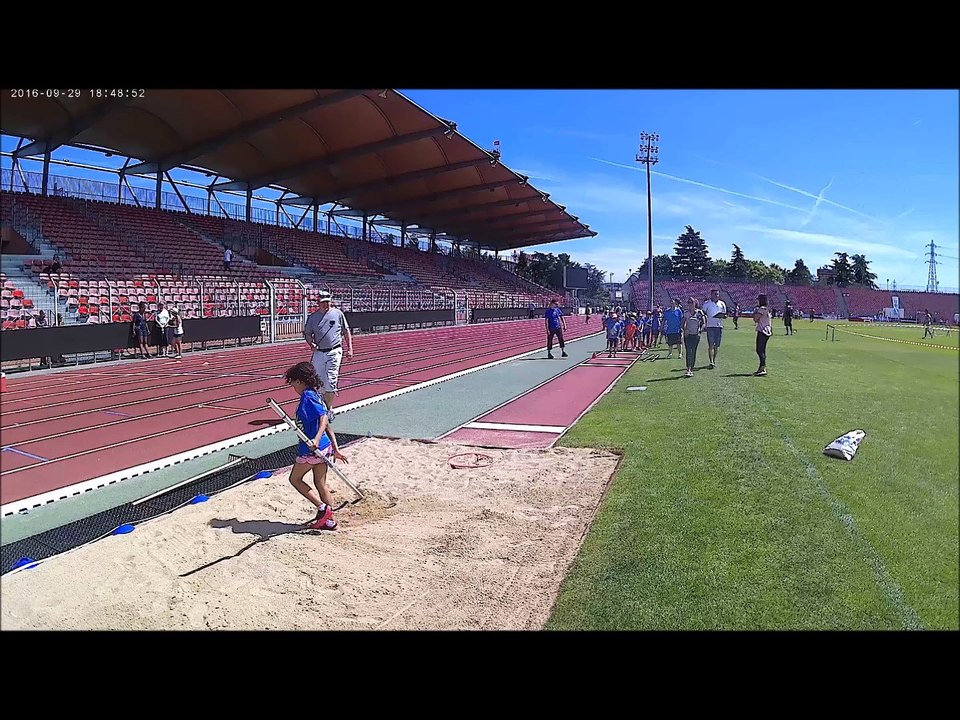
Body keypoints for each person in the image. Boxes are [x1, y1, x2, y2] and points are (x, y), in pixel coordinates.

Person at [284, 362, 349, 531]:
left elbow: (323, 419)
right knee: (320, 483)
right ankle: (329, 521)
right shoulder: (316, 395)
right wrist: (335, 449)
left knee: (295, 479)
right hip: (324, 448)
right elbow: (328, 424)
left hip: (312, 449)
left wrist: (316, 439)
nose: (293, 388)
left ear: (299, 381)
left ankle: (322, 508)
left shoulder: (308, 396)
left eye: (292, 384)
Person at [304, 290, 354, 418]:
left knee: (331, 381)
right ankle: (325, 408)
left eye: (327, 302)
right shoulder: (313, 317)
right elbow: (308, 333)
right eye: (323, 303)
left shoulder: (338, 314)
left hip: (334, 351)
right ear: (318, 303)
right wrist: (311, 344)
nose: (325, 305)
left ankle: (326, 411)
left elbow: (346, 331)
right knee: (319, 382)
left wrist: (350, 348)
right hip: (319, 353)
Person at [702, 288, 726, 369]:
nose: (717, 296)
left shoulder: (722, 304)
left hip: (719, 326)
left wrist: (724, 316)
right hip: (710, 326)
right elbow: (703, 313)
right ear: (711, 294)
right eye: (715, 294)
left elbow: (724, 313)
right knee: (711, 345)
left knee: (716, 345)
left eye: (718, 294)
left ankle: (714, 360)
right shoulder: (707, 303)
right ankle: (711, 361)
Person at [682, 297, 706, 378]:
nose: (690, 304)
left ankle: (691, 368)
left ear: (695, 303)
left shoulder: (699, 312)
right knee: (688, 351)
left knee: (694, 351)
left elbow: (704, 323)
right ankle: (688, 368)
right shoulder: (686, 313)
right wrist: (685, 329)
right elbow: (682, 323)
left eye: (691, 302)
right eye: (689, 303)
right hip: (688, 335)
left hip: (696, 335)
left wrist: (700, 330)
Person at [753, 294, 772, 376]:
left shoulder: (761, 309)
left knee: (759, 350)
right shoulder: (767, 309)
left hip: (762, 331)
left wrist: (755, 312)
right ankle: (761, 367)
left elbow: (756, 319)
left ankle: (763, 367)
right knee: (762, 350)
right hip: (767, 331)